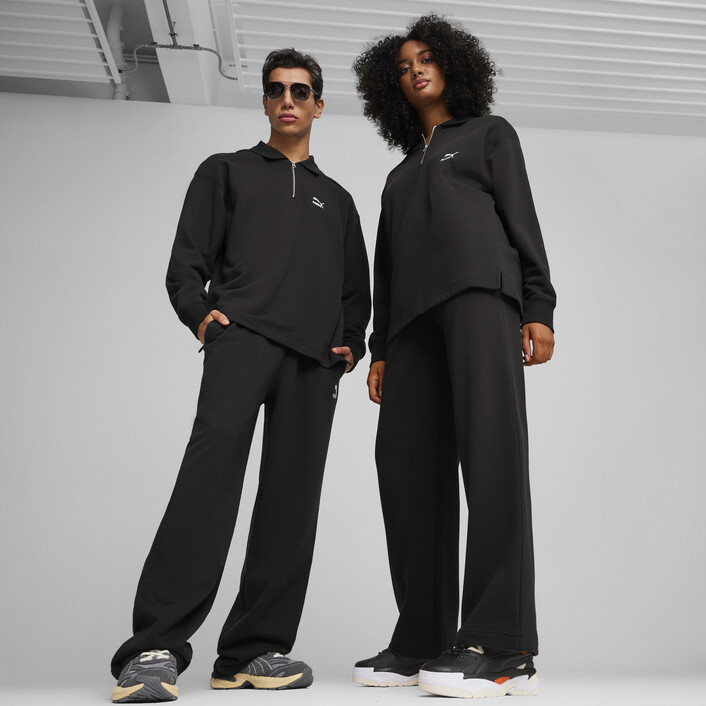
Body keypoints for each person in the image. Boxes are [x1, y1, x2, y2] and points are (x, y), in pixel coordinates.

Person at [109, 48, 370, 703]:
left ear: (318, 105)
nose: (288, 100)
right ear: (264, 101)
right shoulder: (224, 171)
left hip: (313, 363)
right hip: (243, 341)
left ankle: (252, 651)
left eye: (300, 91)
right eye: (276, 90)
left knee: (291, 503)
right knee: (208, 487)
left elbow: (355, 289)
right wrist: (202, 318)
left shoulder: (338, 201)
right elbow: (186, 262)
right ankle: (154, 648)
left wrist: (349, 345)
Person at [351, 14, 555, 699]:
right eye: (403, 65)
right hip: (410, 326)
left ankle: (503, 645)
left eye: (426, 58)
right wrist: (381, 347)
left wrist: (537, 306)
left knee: (491, 457)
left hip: (479, 297)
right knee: (405, 470)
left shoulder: (489, 135)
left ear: (453, 65)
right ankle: (423, 637)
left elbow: (522, 222)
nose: (415, 70)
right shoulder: (399, 175)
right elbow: (386, 267)